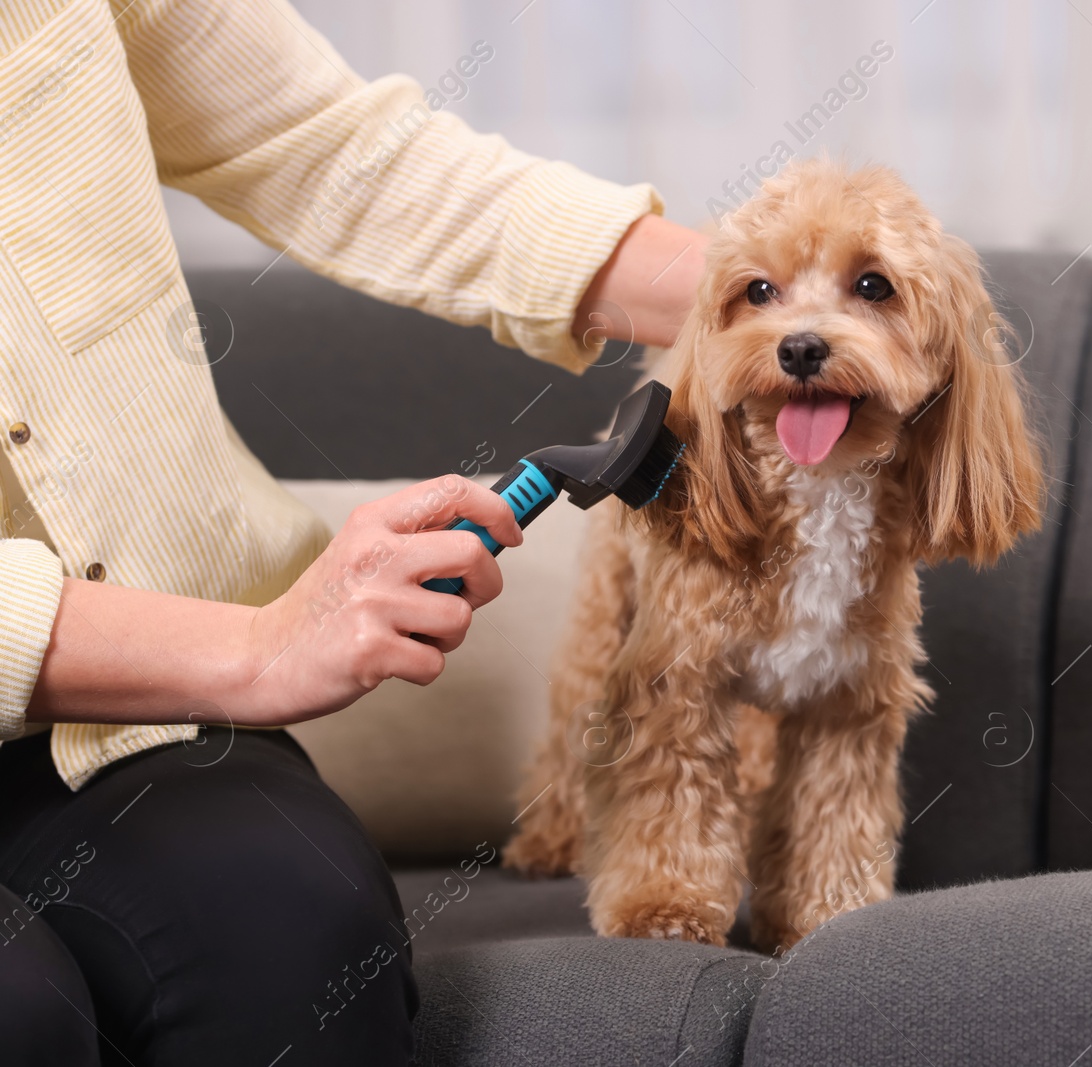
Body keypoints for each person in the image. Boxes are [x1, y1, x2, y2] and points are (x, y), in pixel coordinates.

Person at [0, 0, 706, 1062]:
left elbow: (330, 150)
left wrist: (771, 292)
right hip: (192, 662)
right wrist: (254, 646)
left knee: (289, 935)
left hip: (131, 722)